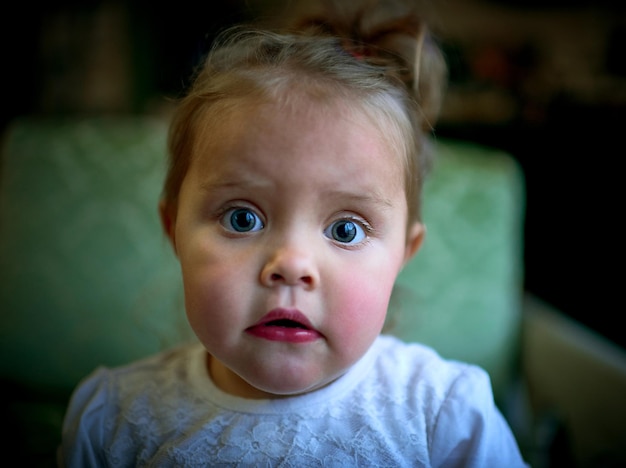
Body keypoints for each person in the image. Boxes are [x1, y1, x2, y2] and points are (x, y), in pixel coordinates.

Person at [60, 0, 529, 466]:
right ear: (173, 230)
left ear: (405, 253)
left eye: (346, 230)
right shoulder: (113, 419)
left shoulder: (445, 416)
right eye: (242, 218)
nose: (291, 263)